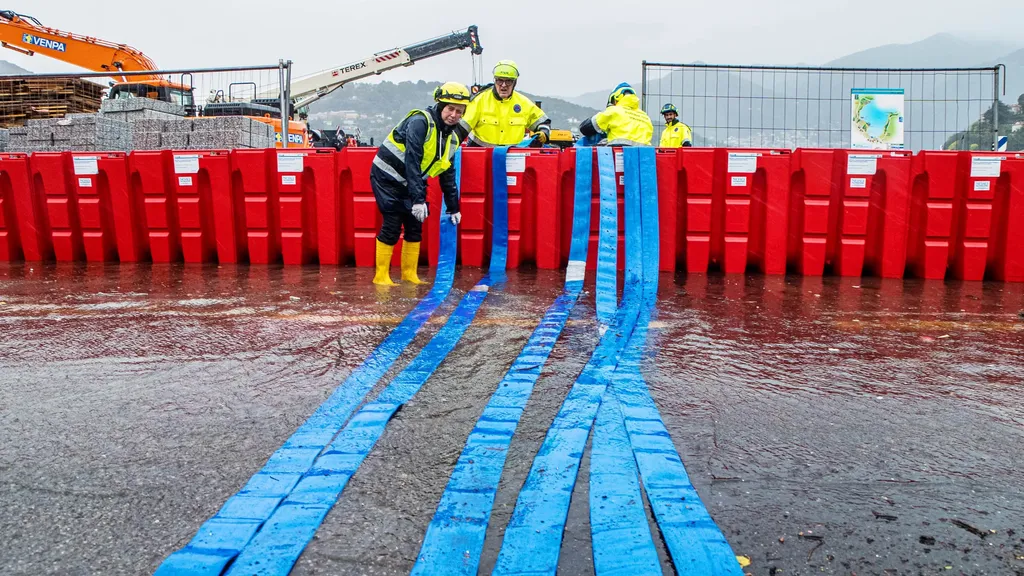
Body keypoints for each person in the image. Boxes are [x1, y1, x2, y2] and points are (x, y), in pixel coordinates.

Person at [370, 81, 468, 286]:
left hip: (411, 179)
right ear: (441, 106)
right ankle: (381, 276)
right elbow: (412, 161)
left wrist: (453, 207)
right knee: (393, 223)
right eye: (451, 109)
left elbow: (447, 171)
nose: (454, 115)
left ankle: (409, 275)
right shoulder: (420, 122)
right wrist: (417, 199)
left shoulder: (452, 135)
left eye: (460, 111)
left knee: (415, 225)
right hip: (388, 177)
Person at [456, 60, 551, 147]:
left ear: (515, 83)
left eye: (508, 81)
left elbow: (543, 122)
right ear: (495, 80)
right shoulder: (479, 101)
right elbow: (461, 130)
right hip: (481, 158)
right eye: (500, 80)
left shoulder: (523, 103)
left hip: (512, 159)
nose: (503, 85)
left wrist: (543, 133)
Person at [578, 82, 653, 146]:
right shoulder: (645, 117)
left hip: (620, 158)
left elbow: (585, 128)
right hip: (644, 159)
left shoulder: (614, 111)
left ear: (615, 97)